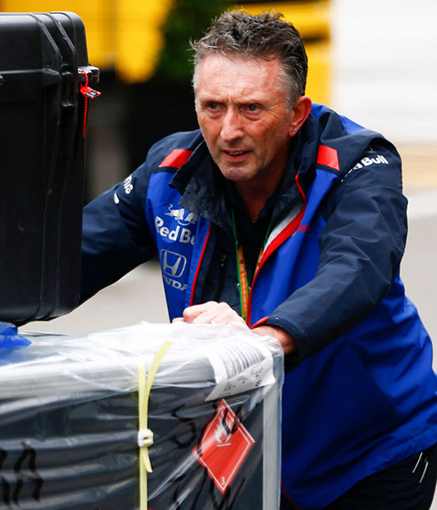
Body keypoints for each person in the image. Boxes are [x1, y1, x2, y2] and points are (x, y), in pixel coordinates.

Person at [81, 10, 437, 510]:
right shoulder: (168, 172)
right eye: (212, 106)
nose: (228, 130)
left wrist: (263, 342)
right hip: (241, 449)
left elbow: (359, 267)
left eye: (251, 109)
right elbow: (65, 260)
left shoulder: (358, 164)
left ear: (296, 113)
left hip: (369, 454)